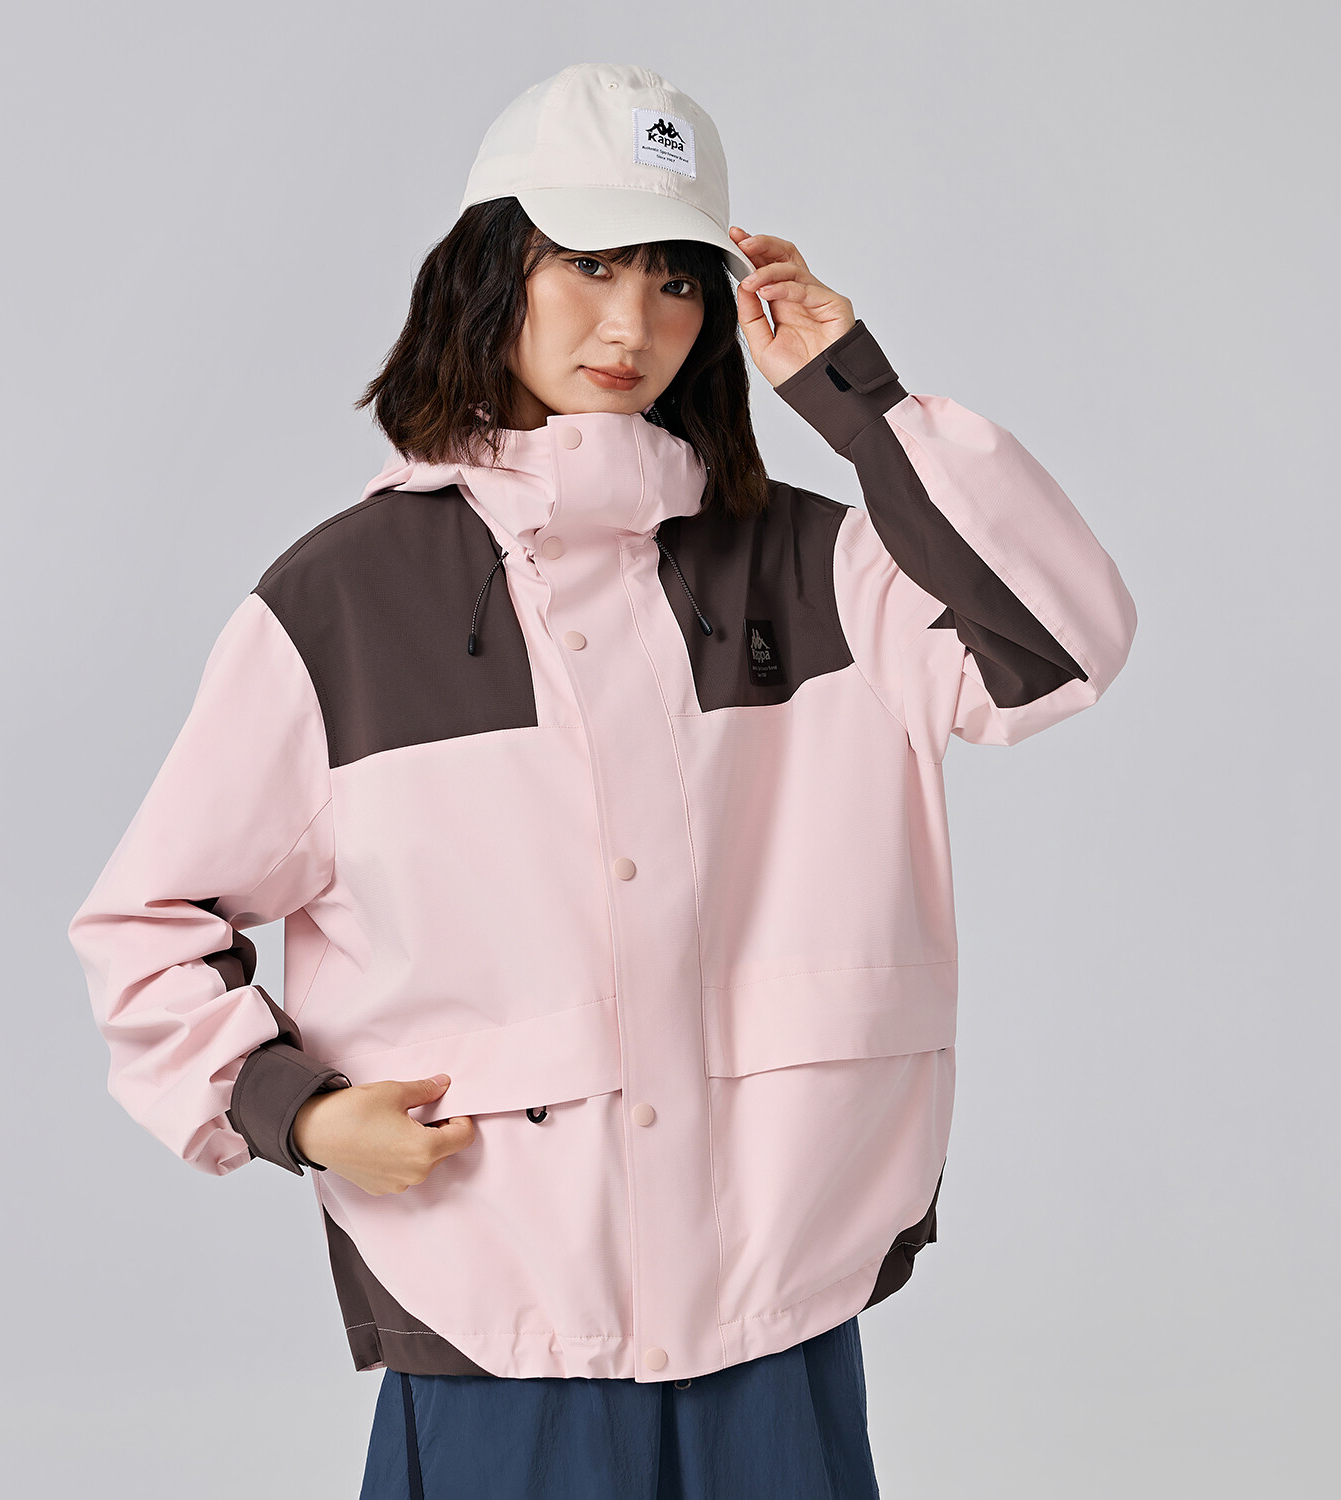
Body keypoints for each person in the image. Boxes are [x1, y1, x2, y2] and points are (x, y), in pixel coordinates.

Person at [68, 61, 1137, 1500]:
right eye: (586, 266)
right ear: (489, 272)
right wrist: (296, 1113)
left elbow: (1060, 648)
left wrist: (860, 398)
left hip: (777, 1308)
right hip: (499, 1320)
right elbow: (146, 925)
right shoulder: (346, 601)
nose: (632, 325)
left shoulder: (821, 563)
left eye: (675, 281)